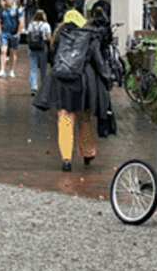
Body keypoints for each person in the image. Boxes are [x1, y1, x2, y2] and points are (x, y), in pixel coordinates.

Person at [32, 9, 116, 172]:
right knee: (84, 118)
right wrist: (106, 78)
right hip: (82, 82)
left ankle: (66, 159)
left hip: (62, 82)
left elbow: (53, 58)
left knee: (64, 118)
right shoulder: (89, 35)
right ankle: (88, 153)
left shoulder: (59, 35)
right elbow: (98, 61)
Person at [23, 10, 52, 92]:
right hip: (43, 48)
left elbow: (28, 37)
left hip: (32, 48)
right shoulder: (46, 25)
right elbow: (49, 37)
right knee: (43, 68)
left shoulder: (30, 25)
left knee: (33, 68)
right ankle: (43, 86)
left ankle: (33, 87)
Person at [0, 0, 23, 78]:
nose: (8, 1)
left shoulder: (17, 10)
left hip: (13, 34)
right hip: (4, 34)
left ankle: (11, 70)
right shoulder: (2, 11)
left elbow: (21, 22)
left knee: (12, 53)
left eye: (9, 0)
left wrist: (18, 33)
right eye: (6, 0)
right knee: (3, 51)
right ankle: (2, 69)